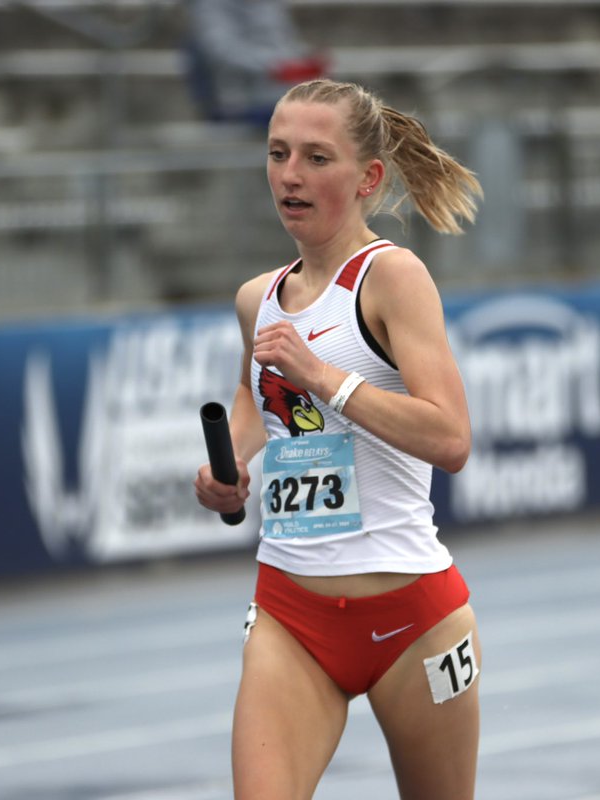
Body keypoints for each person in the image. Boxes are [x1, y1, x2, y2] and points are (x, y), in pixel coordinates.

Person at [194, 78, 483, 798]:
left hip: (411, 613)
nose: (290, 175)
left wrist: (324, 377)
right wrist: (227, 463)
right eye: (278, 153)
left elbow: (450, 437)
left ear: (368, 179)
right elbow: (256, 398)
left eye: (317, 158)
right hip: (292, 612)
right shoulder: (256, 299)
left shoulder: (391, 278)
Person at [184, 0, 327, 127]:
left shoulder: (269, 4)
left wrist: (306, 58)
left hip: (281, 96)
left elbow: (283, 42)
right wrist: (276, 67)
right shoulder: (210, 6)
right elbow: (221, 51)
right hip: (239, 103)